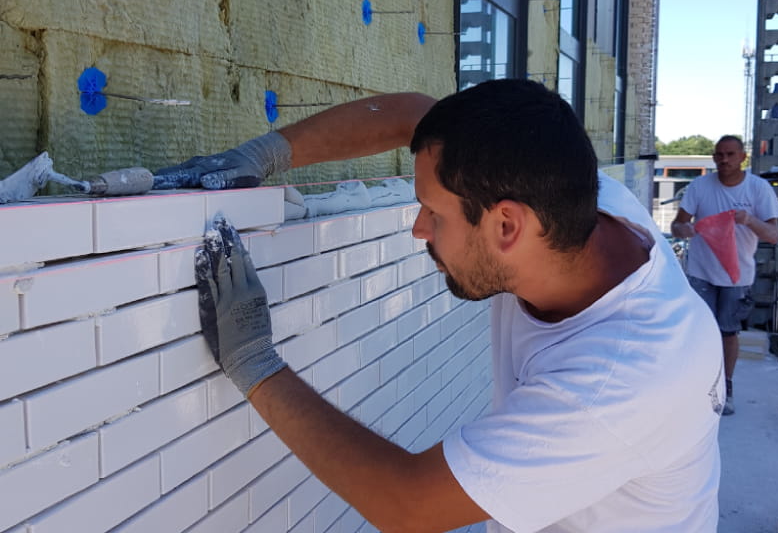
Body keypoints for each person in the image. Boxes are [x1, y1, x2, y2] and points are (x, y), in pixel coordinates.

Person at [158, 79, 724, 533]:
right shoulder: (574, 206)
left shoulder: (619, 381)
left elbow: (407, 506)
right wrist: (258, 155)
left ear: (506, 224)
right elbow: (420, 117)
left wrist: (255, 362)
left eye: (433, 211)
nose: (417, 229)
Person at [671, 135, 778, 416]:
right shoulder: (699, 186)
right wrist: (683, 230)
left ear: (743, 157)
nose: (724, 160)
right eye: (719, 155)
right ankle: (699, 386)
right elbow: (677, 225)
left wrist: (749, 220)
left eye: (730, 154)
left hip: (738, 276)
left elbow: (773, 235)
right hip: (701, 272)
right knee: (700, 332)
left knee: (728, 332)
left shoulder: (758, 189)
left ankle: (726, 386)